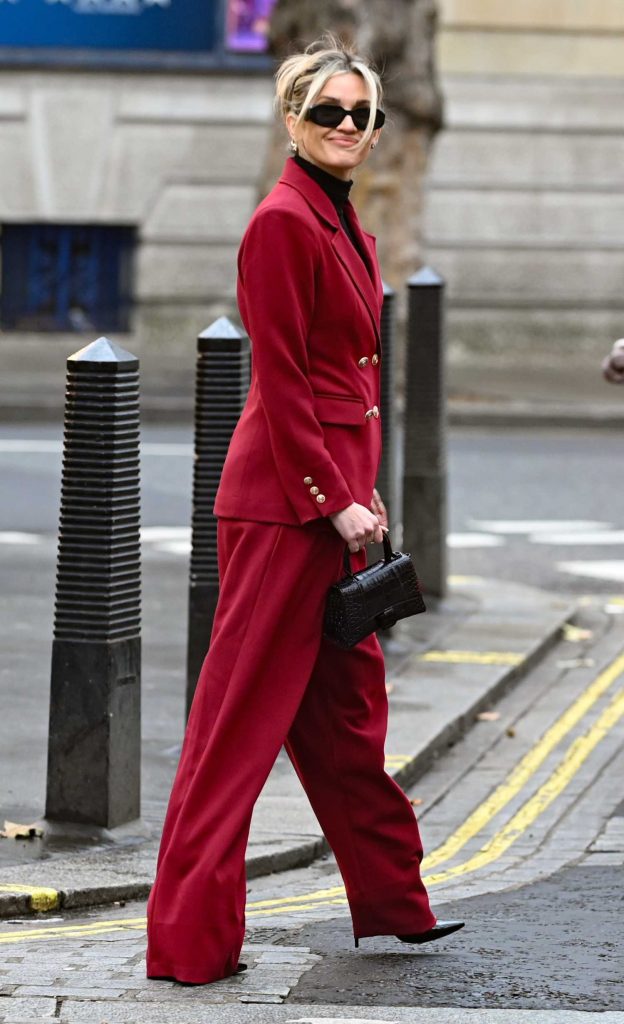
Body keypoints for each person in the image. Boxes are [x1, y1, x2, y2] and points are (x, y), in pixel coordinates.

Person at [146, 35, 463, 986]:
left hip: (332, 507)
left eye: (363, 115)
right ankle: (188, 942)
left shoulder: (345, 225)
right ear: (293, 118)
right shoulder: (280, 223)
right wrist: (334, 503)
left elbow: (350, 381)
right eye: (329, 111)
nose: (349, 128)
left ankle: (395, 904)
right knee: (236, 730)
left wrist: (360, 493)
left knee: (348, 715)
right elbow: (281, 380)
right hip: (284, 514)